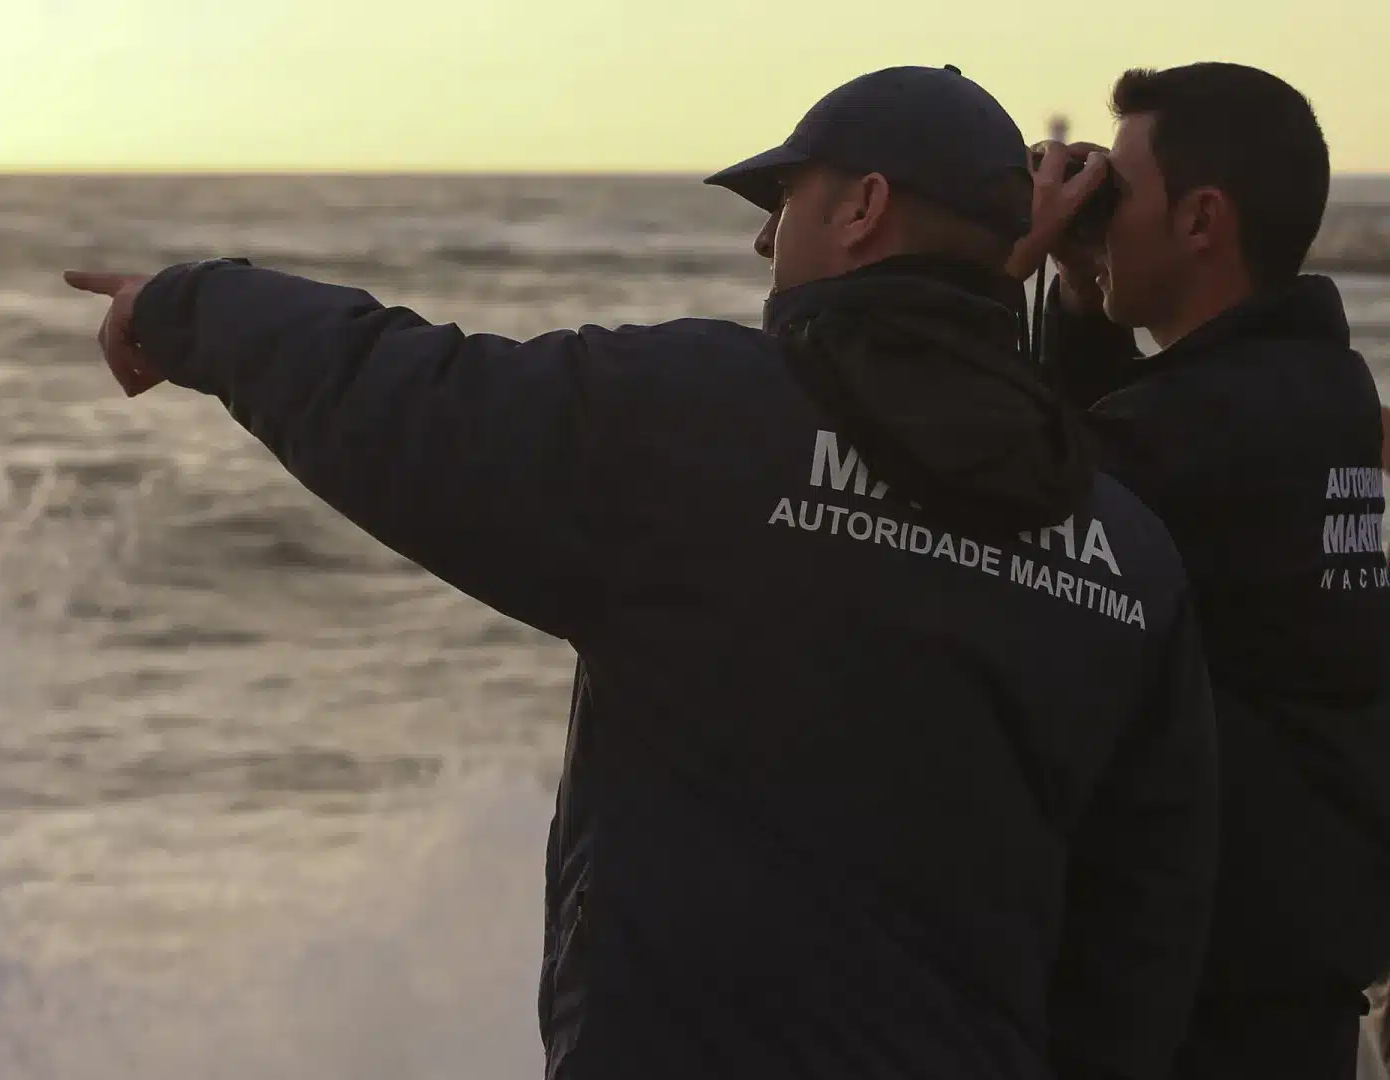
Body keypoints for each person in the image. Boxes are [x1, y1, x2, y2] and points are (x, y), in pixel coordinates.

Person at [67, 65, 1219, 1080]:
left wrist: (191, 305)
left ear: (864, 209)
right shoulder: (1128, 553)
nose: (764, 244)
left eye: (787, 205)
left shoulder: (692, 425)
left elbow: (414, 401)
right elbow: (1144, 929)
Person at [1012, 61, 1390, 1080]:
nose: (1100, 214)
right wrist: (1088, 296)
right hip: (1286, 940)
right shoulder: (1320, 385)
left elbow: (1011, 496)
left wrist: (993, 276)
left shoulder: (1218, 419)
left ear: (1202, 219)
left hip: (1209, 970)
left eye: (1119, 193)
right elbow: (1104, 460)